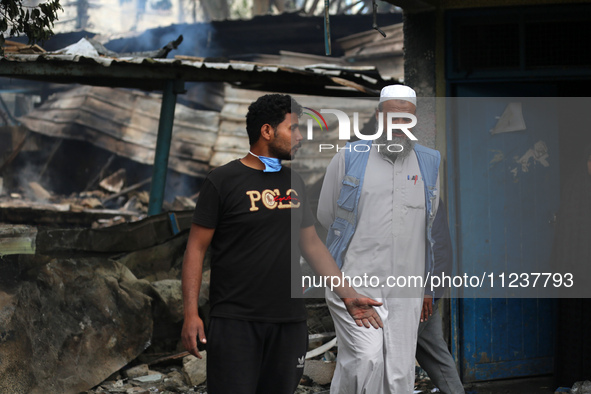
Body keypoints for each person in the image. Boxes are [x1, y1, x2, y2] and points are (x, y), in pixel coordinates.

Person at [181, 93, 383, 394]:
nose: (300, 137)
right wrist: (190, 313)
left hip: (289, 321)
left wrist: (348, 295)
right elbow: (195, 249)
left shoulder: (293, 181)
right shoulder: (222, 181)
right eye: (294, 129)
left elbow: (312, 244)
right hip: (236, 320)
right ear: (267, 131)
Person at [317, 85, 440, 394]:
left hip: (407, 287)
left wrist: (427, 286)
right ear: (379, 116)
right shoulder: (348, 158)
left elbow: (430, 225)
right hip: (355, 281)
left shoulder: (430, 163)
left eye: (407, 119)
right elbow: (325, 216)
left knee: (399, 372)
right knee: (363, 360)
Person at [416, 199, 465, 394]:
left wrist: (428, 290)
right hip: (420, 293)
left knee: (391, 359)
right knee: (436, 356)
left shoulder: (427, 194)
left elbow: (438, 244)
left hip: (417, 294)